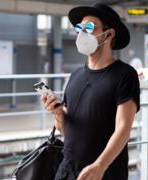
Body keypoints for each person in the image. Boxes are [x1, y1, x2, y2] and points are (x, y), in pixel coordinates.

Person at [41, 3, 140, 180]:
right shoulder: (75, 76)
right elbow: (67, 130)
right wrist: (57, 114)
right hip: (67, 171)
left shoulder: (125, 75)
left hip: (104, 173)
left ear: (109, 34)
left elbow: (123, 129)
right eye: (80, 28)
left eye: (89, 28)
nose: (82, 33)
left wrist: (99, 166)